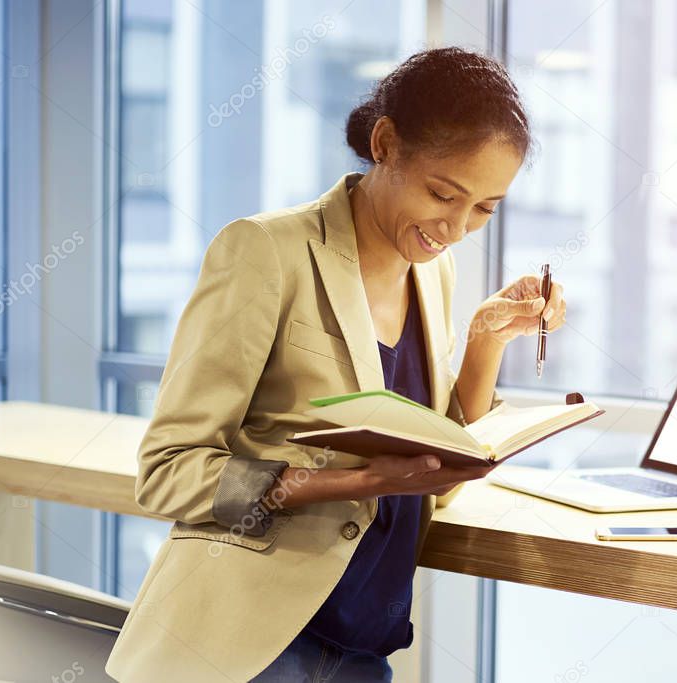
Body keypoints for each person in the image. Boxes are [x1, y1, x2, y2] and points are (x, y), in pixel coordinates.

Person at [105, 46, 566, 683]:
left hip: (362, 654)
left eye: (485, 208)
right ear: (384, 143)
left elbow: (435, 474)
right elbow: (167, 473)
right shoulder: (267, 251)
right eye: (442, 193)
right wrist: (339, 483)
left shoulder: (434, 274)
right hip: (245, 650)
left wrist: (485, 342)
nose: (457, 227)